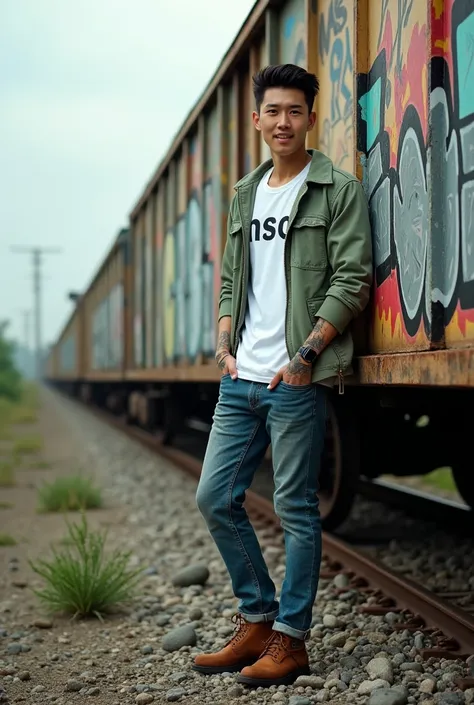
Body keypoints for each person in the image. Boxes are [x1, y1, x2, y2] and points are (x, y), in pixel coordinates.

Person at [193, 63, 373, 687]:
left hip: (294, 380)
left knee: (296, 508)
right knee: (214, 497)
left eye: (295, 111)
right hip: (240, 378)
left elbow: (353, 277)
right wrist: (224, 342)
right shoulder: (246, 194)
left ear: (310, 118)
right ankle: (256, 618)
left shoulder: (336, 190)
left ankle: (290, 640)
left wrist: (305, 358)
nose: (283, 122)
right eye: (273, 111)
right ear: (257, 119)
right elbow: (230, 281)